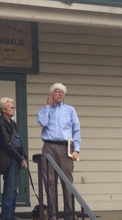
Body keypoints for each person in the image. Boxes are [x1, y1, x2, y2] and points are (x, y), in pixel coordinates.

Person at [36, 83, 81, 220]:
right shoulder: (45, 109)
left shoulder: (70, 110)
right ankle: (53, 214)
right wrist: (47, 106)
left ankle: (69, 215)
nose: (61, 94)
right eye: (57, 91)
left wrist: (77, 150)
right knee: (49, 181)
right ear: (51, 94)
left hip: (65, 147)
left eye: (63, 92)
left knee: (67, 181)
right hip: (49, 146)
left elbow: (76, 129)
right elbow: (42, 122)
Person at [0, 97, 28, 220]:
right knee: (9, 188)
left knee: (13, 188)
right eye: (11, 107)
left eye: (14, 107)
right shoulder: (0, 122)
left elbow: (18, 141)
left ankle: (10, 214)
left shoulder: (13, 123)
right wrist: (20, 158)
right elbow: (6, 143)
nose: (13, 109)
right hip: (8, 157)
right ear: (4, 110)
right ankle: (6, 216)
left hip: (16, 157)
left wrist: (23, 156)